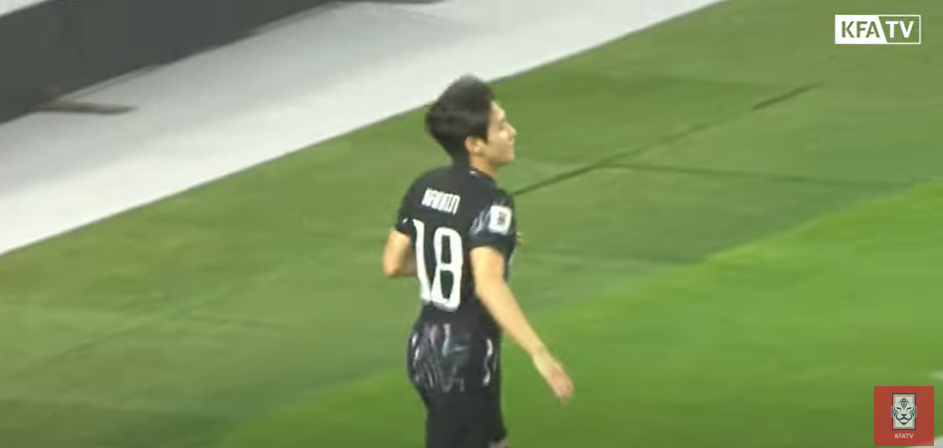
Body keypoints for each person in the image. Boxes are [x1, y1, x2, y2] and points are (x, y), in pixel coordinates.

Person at [381, 74, 574, 448]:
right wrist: (539, 353)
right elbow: (489, 284)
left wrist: (465, 253)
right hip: (464, 354)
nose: (511, 132)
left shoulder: (425, 186)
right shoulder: (491, 202)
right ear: (475, 144)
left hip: (423, 346)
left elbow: (393, 263)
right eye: (500, 127)